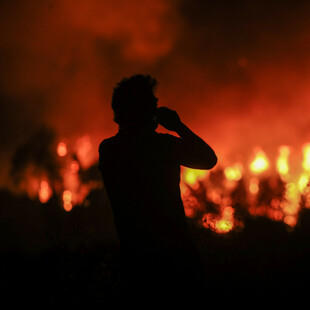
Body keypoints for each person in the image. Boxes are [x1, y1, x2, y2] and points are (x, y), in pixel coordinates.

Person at [98, 74, 217, 299]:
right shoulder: (162, 146)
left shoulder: (109, 149)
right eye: (152, 103)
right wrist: (178, 126)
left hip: (135, 258)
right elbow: (208, 159)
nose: (157, 105)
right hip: (176, 255)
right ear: (141, 110)